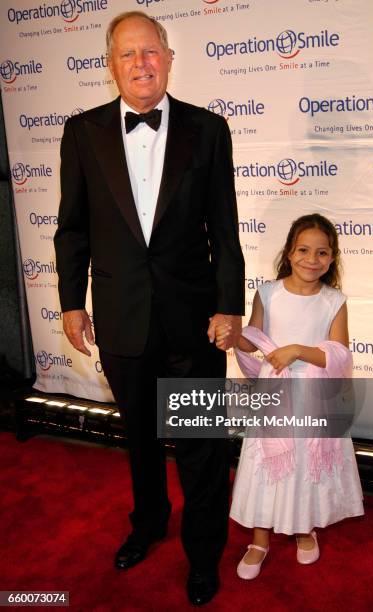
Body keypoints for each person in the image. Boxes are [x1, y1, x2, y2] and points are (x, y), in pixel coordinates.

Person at [54, 10, 244, 605]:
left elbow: (226, 232)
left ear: (168, 56)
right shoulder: (81, 133)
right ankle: (148, 524)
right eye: (127, 54)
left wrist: (228, 307)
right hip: (122, 319)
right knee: (138, 438)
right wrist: (69, 302)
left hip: (195, 324)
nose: (141, 63)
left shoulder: (208, 130)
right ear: (110, 65)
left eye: (150, 51)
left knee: (200, 447)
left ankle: (204, 553)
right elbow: (72, 229)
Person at [216, 213, 364, 579]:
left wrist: (297, 349)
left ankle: (304, 528)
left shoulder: (334, 300)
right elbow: (254, 338)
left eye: (322, 253)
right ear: (289, 251)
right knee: (269, 463)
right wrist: (233, 335)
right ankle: (260, 539)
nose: (311, 260)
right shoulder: (268, 293)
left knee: (303, 464)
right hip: (275, 394)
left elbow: (339, 353)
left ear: (333, 258)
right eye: (303, 250)